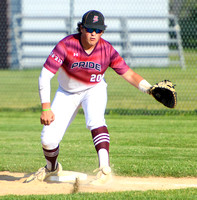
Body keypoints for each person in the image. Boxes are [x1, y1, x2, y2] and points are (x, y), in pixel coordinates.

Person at [25, 10, 152, 185]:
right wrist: (46, 108)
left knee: (96, 120)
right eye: (90, 29)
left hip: (94, 89)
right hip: (66, 92)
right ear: (82, 28)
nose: (94, 33)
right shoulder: (67, 45)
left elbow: (128, 74)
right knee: (48, 140)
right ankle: (51, 168)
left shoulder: (107, 49)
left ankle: (104, 169)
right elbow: (45, 75)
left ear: (102, 32)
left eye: (98, 30)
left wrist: (149, 89)